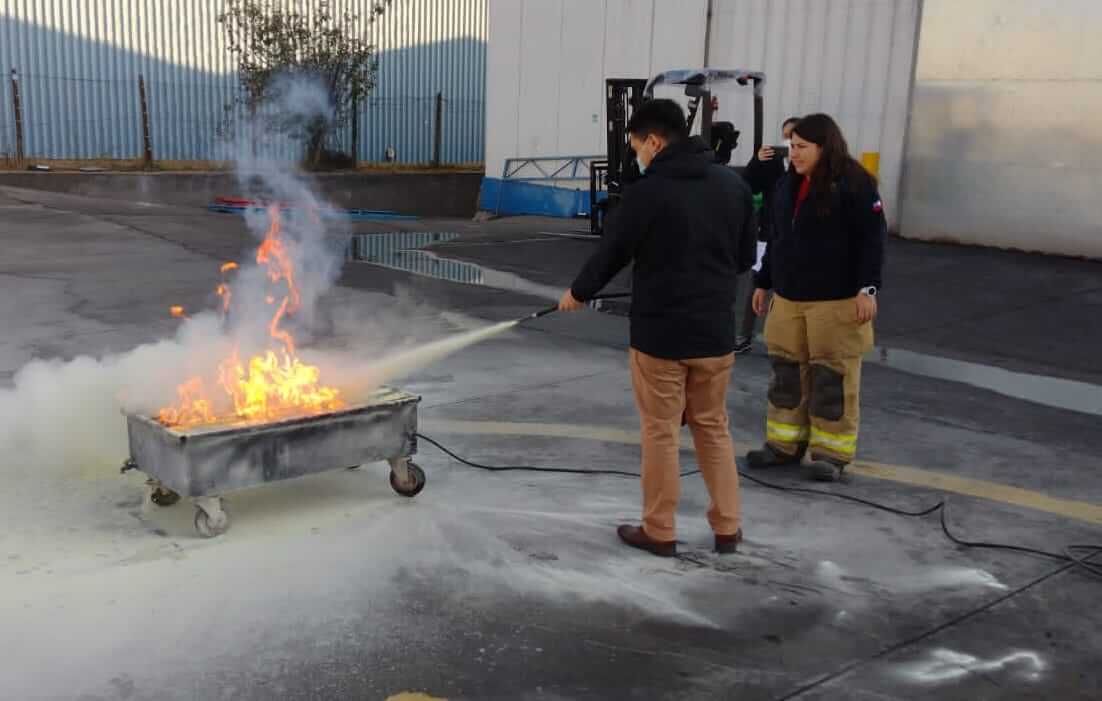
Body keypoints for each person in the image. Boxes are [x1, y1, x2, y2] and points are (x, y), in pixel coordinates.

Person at [558, 98, 756, 557]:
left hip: (661, 336)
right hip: (714, 334)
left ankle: (659, 530)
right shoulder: (734, 185)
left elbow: (614, 251)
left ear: (653, 140)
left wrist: (579, 292)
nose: (636, 157)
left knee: (661, 432)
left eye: (636, 148)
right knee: (713, 427)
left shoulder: (647, 193)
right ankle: (728, 527)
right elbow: (746, 257)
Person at [747, 113, 885, 482]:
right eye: (792, 146)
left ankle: (831, 454)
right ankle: (783, 445)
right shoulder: (786, 186)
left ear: (824, 147)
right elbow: (777, 238)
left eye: (802, 147)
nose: (793, 153)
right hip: (790, 297)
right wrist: (763, 282)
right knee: (787, 374)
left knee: (831, 377)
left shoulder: (855, 184)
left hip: (836, 301)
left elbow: (872, 241)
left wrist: (868, 288)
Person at [733, 116, 801, 354]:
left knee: (789, 287)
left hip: (795, 237)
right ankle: (745, 334)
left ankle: (790, 340)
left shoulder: (806, 165)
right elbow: (748, 185)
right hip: (769, 231)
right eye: (786, 136)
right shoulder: (771, 160)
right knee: (757, 284)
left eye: (793, 136)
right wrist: (756, 161)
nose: (789, 141)